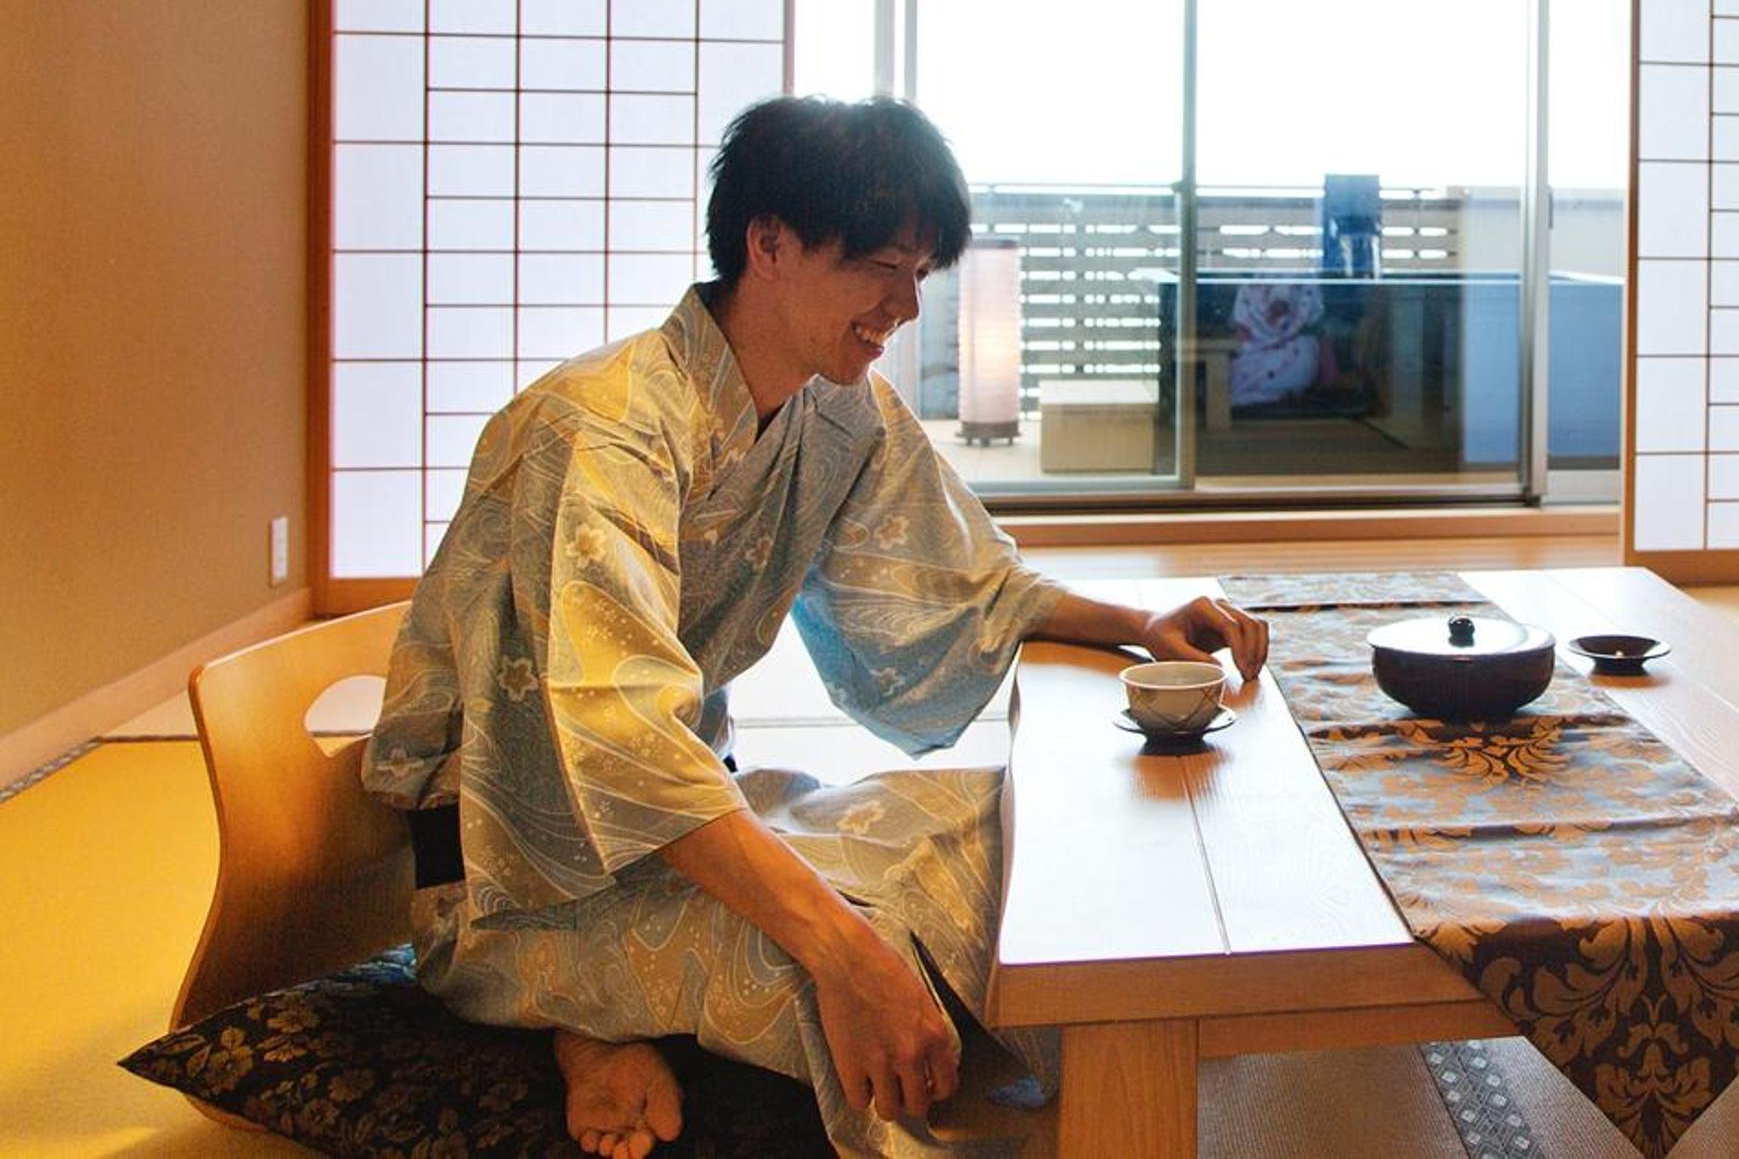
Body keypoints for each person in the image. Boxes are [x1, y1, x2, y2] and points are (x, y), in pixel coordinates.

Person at [362, 95, 1270, 1158]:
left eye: (918, 272)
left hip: (686, 831)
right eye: (881, 267)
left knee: (1008, 835)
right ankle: (578, 1021)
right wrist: (847, 955)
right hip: (515, 878)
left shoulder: (834, 406)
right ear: (770, 245)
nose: (906, 306)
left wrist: (1137, 621)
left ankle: (615, 1027)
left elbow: (957, 581)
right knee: (861, 980)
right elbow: (623, 743)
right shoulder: (600, 431)